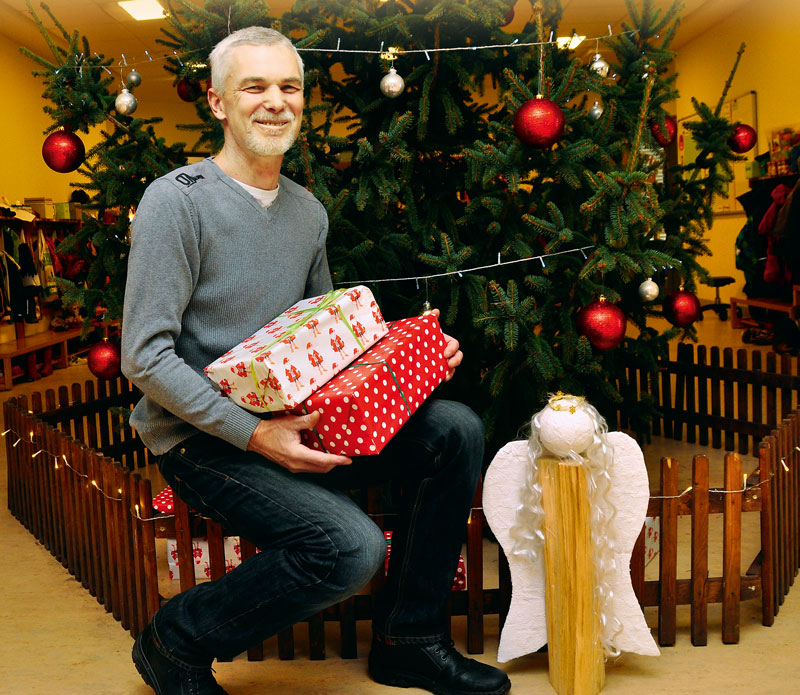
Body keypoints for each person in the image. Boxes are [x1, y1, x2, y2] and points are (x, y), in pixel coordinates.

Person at [122, 26, 511, 695]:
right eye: (255, 86)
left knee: (455, 426)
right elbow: (144, 356)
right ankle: (176, 638)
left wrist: (408, 363)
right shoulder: (177, 199)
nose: (276, 102)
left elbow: (324, 341)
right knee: (350, 548)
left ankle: (408, 639)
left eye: (289, 87)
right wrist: (255, 434)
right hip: (204, 443)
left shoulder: (306, 212)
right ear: (217, 102)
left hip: (293, 422)